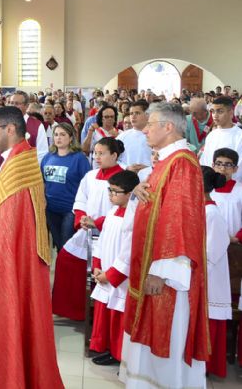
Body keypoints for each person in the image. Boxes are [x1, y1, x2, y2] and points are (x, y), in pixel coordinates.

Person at [0, 106, 62, 388]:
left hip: (7, 265)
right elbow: (5, 208)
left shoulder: (18, 164)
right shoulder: (16, 158)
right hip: (7, 258)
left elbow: (10, 223)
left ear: (9, 129)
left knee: (8, 324)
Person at [120, 102, 209, 388]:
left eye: (151, 123)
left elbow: (179, 219)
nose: (145, 129)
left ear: (168, 127)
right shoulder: (166, 161)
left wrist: (161, 271)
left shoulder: (181, 163)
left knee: (167, 333)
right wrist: (136, 190)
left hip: (166, 275)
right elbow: (155, 206)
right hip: (150, 264)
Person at [52, 137, 124, 321]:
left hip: (111, 234)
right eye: (95, 154)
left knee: (100, 270)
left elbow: (124, 209)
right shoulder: (90, 176)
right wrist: (82, 218)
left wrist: (98, 222)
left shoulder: (123, 178)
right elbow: (80, 199)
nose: (97, 158)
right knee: (66, 259)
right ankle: (75, 309)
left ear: (114, 155)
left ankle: (98, 312)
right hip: (87, 230)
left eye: (102, 153)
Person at [88, 169, 139, 367]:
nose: (111, 194)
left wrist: (111, 275)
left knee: (118, 314)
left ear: (130, 194)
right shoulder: (111, 213)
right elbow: (100, 241)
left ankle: (118, 354)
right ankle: (106, 347)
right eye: (110, 190)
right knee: (105, 311)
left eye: (115, 191)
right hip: (105, 271)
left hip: (120, 277)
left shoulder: (133, 217)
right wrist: (97, 266)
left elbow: (129, 252)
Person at [201, 166, 232, 378]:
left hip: (209, 280)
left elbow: (213, 251)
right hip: (200, 276)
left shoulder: (211, 213)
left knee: (208, 323)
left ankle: (206, 365)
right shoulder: (200, 209)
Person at [41, 122, 91, 252]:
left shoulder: (79, 158)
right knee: (58, 246)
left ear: (70, 138)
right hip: (51, 209)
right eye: (56, 135)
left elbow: (88, 184)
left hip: (70, 210)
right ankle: (60, 271)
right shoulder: (48, 157)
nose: (58, 138)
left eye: (62, 135)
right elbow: (42, 181)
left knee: (66, 246)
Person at [200, 96, 242, 182]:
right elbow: (205, 160)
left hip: (233, 186)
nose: (215, 115)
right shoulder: (211, 135)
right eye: (213, 111)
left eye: (220, 111)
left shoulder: (239, 136)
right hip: (211, 184)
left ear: (231, 113)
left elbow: (239, 165)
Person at [7, 91, 49, 162]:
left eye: (17, 103)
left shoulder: (37, 125)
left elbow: (42, 153)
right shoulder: (1, 122)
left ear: (27, 106)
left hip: (27, 169)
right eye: (11, 103)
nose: (13, 106)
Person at [210, 148, 242, 237]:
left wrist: (238, 238)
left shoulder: (240, 190)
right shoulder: (207, 190)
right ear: (213, 166)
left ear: (235, 169)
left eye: (228, 165)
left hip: (235, 243)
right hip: (211, 242)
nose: (222, 169)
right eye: (218, 164)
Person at [119, 100, 152, 171]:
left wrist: (148, 168)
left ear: (147, 114)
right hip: (126, 177)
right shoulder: (122, 136)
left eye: (137, 113)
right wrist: (126, 167)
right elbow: (113, 159)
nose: (133, 116)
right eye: (131, 113)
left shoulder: (157, 135)